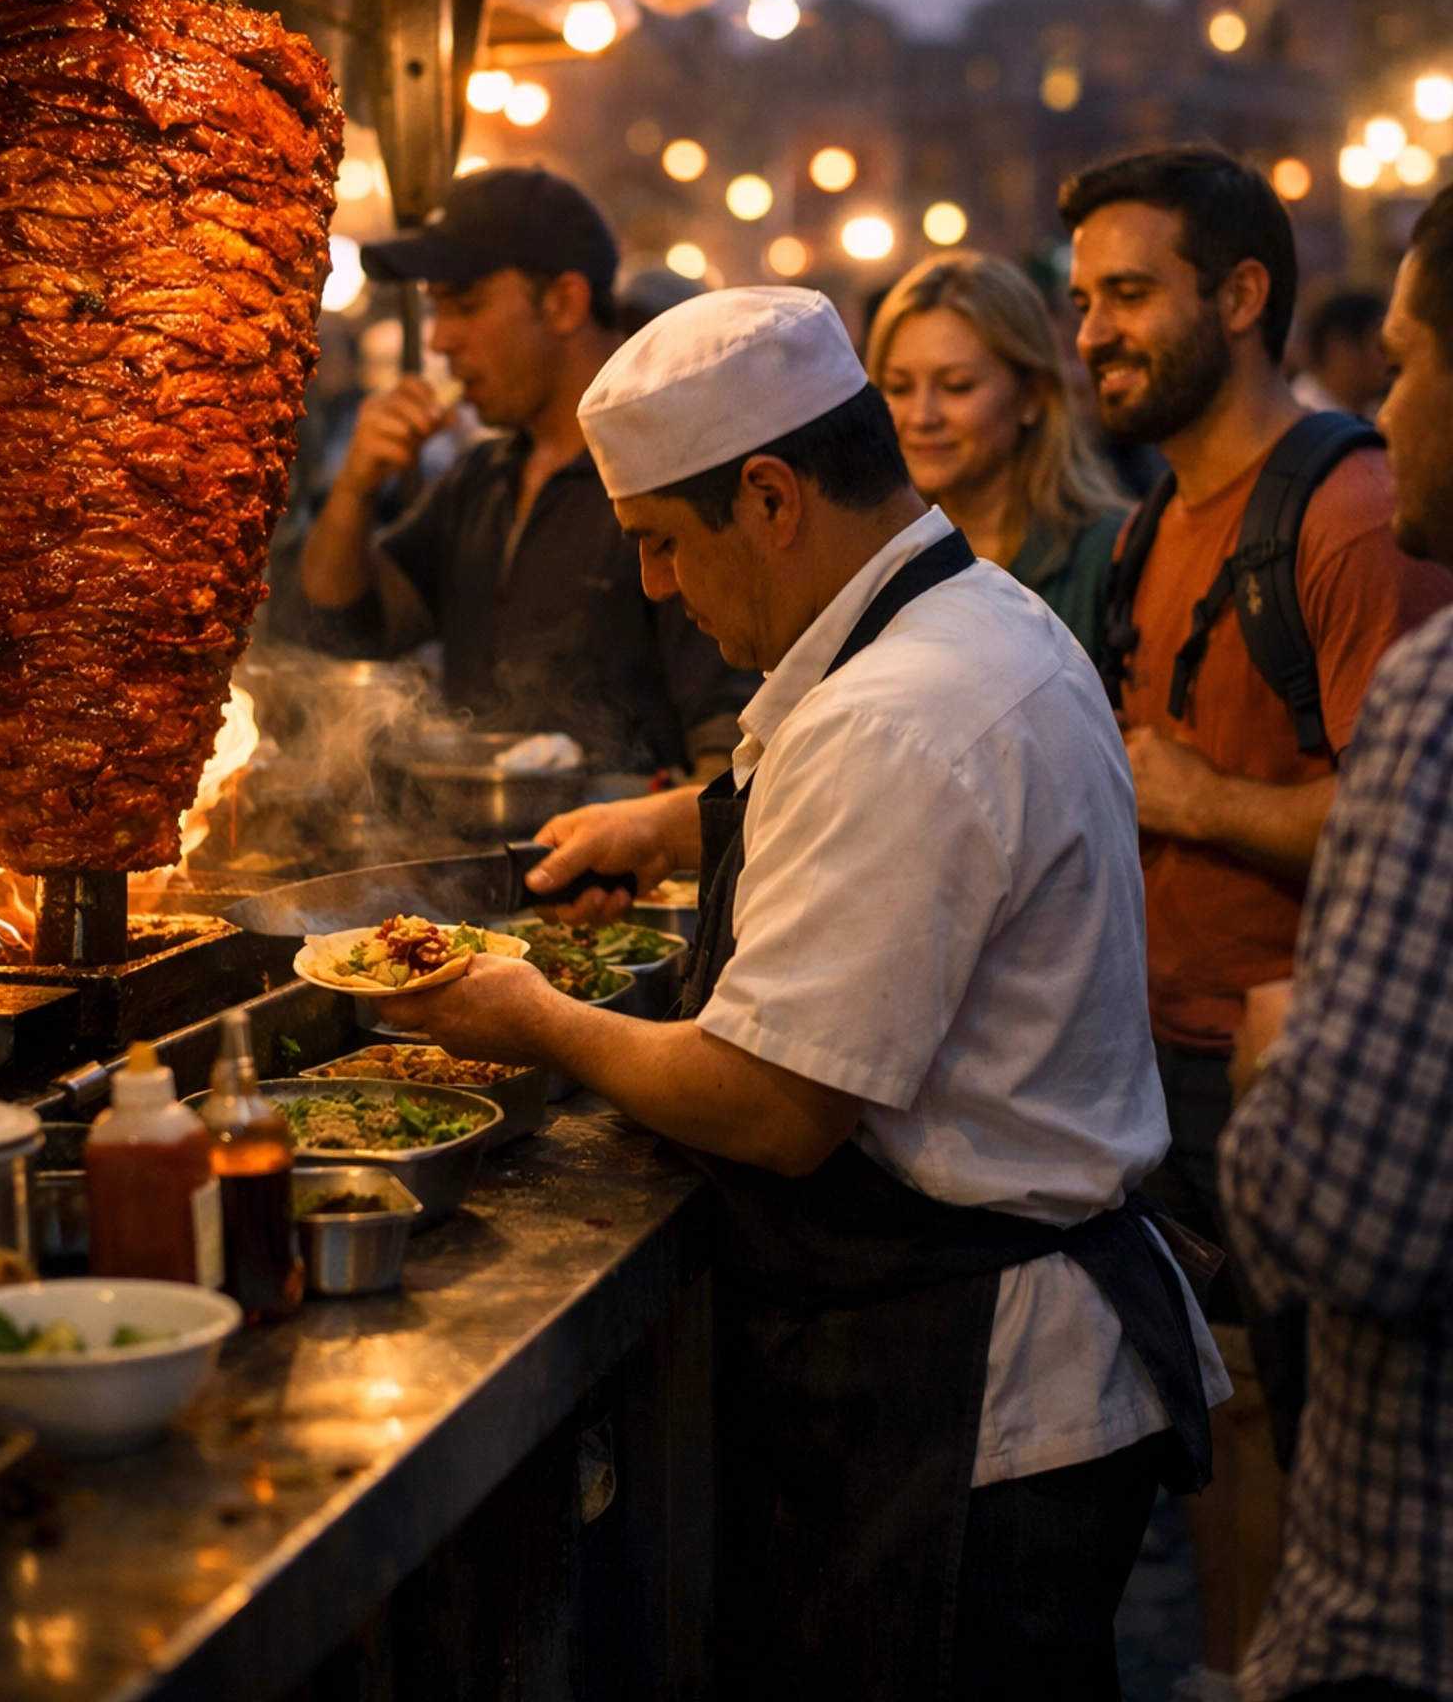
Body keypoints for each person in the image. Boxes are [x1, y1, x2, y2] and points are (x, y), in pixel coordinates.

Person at [377, 284, 1228, 1702]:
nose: (655, 586)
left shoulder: (900, 716)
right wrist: (669, 826)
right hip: (972, 1370)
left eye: (660, 544)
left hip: (970, 1403)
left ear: (770, 496)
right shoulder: (964, 619)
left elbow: (772, 1109)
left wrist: (530, 1015)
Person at [1061, 144, 1453, 1699]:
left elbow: (1414, 824)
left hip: (1301, 1084)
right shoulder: (1160, 520)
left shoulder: (1349, 515)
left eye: (1132, 293)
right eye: (1083, 297)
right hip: (1176, 1064)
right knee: (1223, 1423)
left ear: (1242, 298)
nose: (1095, 330)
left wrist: (1201, 800)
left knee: (1308, 1441)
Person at [1219, 183, 1453, 1702]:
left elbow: (1342, 1218)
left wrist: (1279, 1054)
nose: (1386, 393)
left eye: (1419, 356)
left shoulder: (1437, 699)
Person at [279, 166, 749, 775]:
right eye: (436, 309)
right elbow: (337, 623)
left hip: (628, 867)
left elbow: (731, 762)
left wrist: (648, 834)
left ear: (564, 301)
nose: (442, 340)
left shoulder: (673, 476)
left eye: (465, 305)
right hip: (475, 858)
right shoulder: (483, 477)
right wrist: (355, 488)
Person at [867, 251, 1126, 657]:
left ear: (1032, 395)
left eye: (957, 386)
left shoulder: (1112, 554)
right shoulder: (868, 561)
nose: (922, 416)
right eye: (898, 388)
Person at [1289, 287, 1391, 417]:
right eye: (1381, 347)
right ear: (1338, 346)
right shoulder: (1298, 419)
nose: (1390, 360)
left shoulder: (1376, 417)